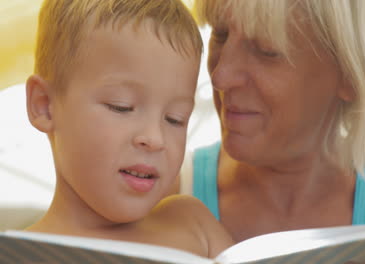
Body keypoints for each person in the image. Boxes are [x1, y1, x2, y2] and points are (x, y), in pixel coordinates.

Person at [176, 0, 365, 261]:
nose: (220, 76)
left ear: (352, 72)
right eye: (220, 34)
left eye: (266, 51)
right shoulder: (159, 195)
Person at [24, 0, 232, 258]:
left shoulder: (195, 226)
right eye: (121, 107)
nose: (155, 139)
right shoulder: (22, 255)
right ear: (44, 105)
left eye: (175, 119)